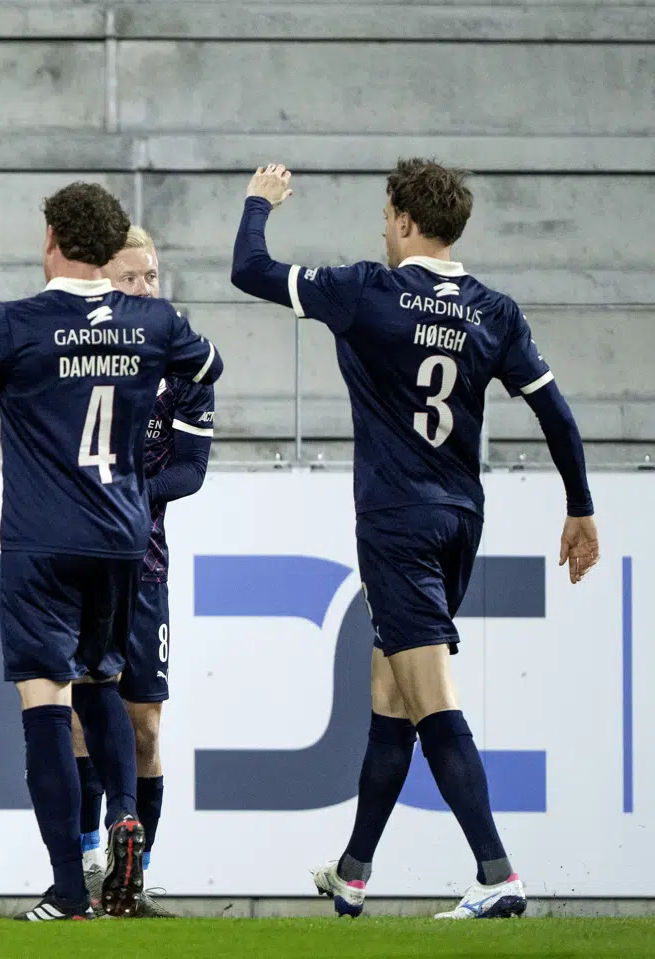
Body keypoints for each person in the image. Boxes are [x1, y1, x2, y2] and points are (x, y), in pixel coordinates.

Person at [230, 160, 600, 919]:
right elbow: (557, 413)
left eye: (385, 216)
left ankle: (497, 871)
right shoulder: (495, 310)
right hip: (460, 516)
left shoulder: (367, 288)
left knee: (430, 701)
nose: (381, 229)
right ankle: (355, 870)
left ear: (402, 220)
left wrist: (258, 204)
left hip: (396, 522)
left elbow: (250, 270)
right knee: (390, 694)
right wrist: (581, 507)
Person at [0, 182, 223, 920]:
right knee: (105, 680)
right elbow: (206, 367)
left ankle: (65, 885)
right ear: (110, 243)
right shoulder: (155, 320)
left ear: (51, 236)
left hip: (41, 537)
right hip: (124, 533)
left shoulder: (18, 324)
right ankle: (125, 811)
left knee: (46, 698)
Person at [75, 227, 215, 917]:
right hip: (76, 564)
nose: (147, 288)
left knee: (146, 723)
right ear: (104, 282)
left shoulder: (183, 363)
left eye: (153, 275)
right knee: (77, 714)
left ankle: (136, 877)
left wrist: (121, 492)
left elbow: (188, 471)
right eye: (133, 278)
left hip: (144, 566)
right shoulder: (79, 354)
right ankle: (82, 866)